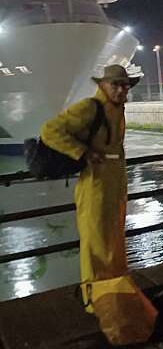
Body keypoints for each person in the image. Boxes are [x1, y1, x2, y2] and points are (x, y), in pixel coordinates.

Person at [41, 64, 138, 310]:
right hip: (95, 185)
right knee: (96, 244)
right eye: (115, 85)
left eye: (124, 85)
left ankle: (114, 292)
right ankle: (95, 299)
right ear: (102, 86)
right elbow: (50, 130)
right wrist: (82, 152)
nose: (120, 90)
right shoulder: (90, 107)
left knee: (113, 242)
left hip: (114, 184)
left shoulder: (117, 109)